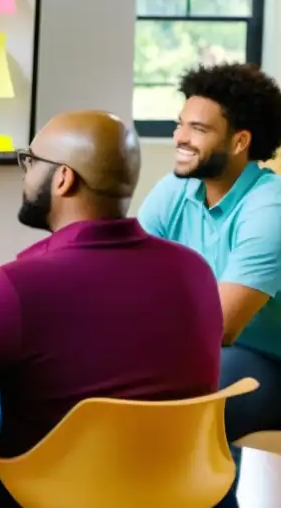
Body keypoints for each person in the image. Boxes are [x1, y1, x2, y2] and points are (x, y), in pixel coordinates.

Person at [0, 111, 223, 507]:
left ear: (63, 178)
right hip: (177, 487)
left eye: (30, 161)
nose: (25, 173)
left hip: (53, 492)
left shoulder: (16, 286)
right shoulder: (195, 270)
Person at [137, 63, 281, 508]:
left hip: (266, 362)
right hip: (206, 353)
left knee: (190, 393)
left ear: (240, 141)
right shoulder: (174, 191)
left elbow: (218, 329)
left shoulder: (270, 209)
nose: (180, 137)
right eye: (181, 123)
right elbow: (124, 282)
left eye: (197, 128)